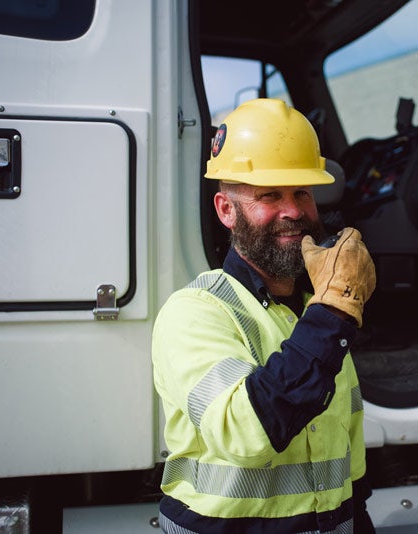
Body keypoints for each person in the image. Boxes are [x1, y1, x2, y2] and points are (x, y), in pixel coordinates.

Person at [152, 98, 377, 533]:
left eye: (302, 193)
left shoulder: (319, 313)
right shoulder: (195, 311)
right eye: (269, 196)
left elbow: (347, 457)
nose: (293, 212)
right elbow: (247, 434)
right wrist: (336, 307)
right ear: (225, 210)